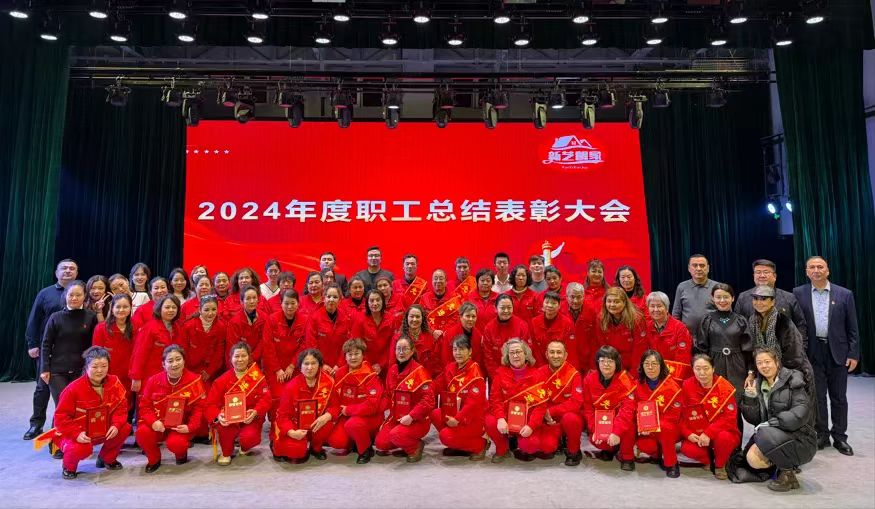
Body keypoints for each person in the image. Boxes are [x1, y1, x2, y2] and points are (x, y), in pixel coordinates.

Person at [793, 255, 859, 456]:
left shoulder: (844, 294)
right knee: (817, 397)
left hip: (838, 353)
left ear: (827, 270)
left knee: (839, 397)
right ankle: (821, 434)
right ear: (806, 272)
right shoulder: (798, 293)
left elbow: (852, 327)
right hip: (812, 353)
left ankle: (840, 437)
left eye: (820, 267)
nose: (816, 270)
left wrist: (853, 353)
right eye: (812, 267)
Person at [741, 347, 817, 492]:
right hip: (772, 435)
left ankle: (787, 472)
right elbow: (754, 419)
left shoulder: (793, 380)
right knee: (752, 459)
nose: (764, 366)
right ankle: (781, 465)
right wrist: (750, 398)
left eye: (767, 361)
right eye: (759, 363)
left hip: (801, 437)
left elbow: (801, 412)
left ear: (777, 362)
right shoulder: (758, 383)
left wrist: (773, 422)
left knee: (763, 433)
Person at [50, 346, 130, 479]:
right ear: (86, 366)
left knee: (124, 428)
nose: (100, 370)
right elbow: (60, 417)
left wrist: (116, 424)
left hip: (103, 428)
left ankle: (107, 458)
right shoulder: (73, 389)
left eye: (104, 366)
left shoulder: (115, 382)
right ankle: (69, 467)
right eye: (95, 366)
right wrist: (76, 433)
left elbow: (121, 408)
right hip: (79, 432)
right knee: (81, 449)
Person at [24, 258, 79, 441]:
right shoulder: (45, 293)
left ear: (77, 273)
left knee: (69, 392)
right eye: (64, 268)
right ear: (56, 272)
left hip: (72, 351)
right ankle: (36, 424)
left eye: (72, 268)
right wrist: (32, 344)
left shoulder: (81, 293)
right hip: (47, 348)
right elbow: (34, 319)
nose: (68, 271)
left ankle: (64, 426)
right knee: (42, 388)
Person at [136, 345, 206, 472]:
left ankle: (181, 453)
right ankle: (154, 458)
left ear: (184, 361)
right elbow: (144, 407)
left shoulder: (194, 380)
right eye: (170, 361)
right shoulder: (153, 381)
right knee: (142, 432)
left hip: (181, 426)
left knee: (177, 444)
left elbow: (199, 409)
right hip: (159, 424)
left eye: (178, 359)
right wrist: (153, 422)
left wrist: (190, 427)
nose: (175, 364)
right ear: (163, 364)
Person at [205, 342, 271, 465]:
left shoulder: (257, 377)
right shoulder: (221, 381)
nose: (240, 359)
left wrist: (256, 411)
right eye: (236, 356)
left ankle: (244, 447)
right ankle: (226, 452)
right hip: (229, 420)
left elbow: (266, 399)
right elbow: (210, 405)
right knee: (224, 427)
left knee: (250, 437)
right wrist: (218, 415)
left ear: (249, 357)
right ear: (230, 358)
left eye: (243, 356)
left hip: (249, 418)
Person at [485, 339, 548, 463]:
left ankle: (517, 442)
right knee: (489, 420)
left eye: (518, 352)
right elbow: (495, 399)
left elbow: (540, 406)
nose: (515, 356)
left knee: (530, 446)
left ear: (526, 354)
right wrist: (500, 418)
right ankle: (502, 449)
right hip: (506, 420)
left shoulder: (537, 375)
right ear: (507, 356)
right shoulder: (499, 374)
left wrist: (531, 426)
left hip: (527, 422)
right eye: (512, 353)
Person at [679, 354, 741, 480]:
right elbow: (682, 414)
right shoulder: (687, 385)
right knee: (687, 449)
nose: (702, 373)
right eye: (697, 369)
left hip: (721, 431)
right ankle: (710, 460)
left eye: (706, 368)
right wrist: (688, 433)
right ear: (693, 369)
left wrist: (708, 433)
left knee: (724, 438)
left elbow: (729, 418)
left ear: (713, 369)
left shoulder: (724, 387)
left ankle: (720, 465)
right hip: (698, 432)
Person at [696, 284, 753, 417]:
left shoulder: (741, 320)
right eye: (718, 297)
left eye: (726, 297)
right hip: (714, 365)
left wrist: (751, 372)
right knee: (715, 403)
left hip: (737, 366)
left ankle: (737, 430)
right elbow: (701, 349)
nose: (722, 300)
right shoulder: (707, 320)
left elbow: (749, 349)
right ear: (713, 298)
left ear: (733, 298)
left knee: (736, 404)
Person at [374, 336, 434, 462]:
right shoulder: (392, 370)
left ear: (412, 351)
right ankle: (404, 440)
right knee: (381, 443)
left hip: (417, 420)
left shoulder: (420, 371)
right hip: (396, 417)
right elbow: (387, 395)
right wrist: (377, 410)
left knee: (396, 435)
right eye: (398, 349)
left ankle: (415, 447)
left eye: (405, 349)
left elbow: (428, 400)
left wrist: (411, 416)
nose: (401, 352)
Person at [40, 280, 100, 407]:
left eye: (78, 295)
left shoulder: (91, 317)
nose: (74, 298)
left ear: (84, 296)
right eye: (71, 295)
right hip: (57, 370)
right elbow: (46, 345)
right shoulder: (55, 317)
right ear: (65, 296)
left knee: (79, 406)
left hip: (82, 369)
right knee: (62, 405)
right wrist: (44, 369)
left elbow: (94, 345)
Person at [273, 348, 338, 463]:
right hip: (295, 425)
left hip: (317, 423)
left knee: (328, 424)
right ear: (300, 366)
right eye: (306, 364)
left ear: (320, 365)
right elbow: (282, 416)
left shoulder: (328, 382)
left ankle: (316, 448)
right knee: (296, 452)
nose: (310, 367)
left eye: (314, 363)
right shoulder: (291, 387)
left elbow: (335, 407)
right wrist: (291, 432)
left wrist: (327, 415)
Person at [430, 335, 489, 460]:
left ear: (470, 351)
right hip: (454, 411)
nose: (458, 353)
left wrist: (457, 419)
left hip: (471, 418)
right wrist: (421, 391)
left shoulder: (475, 373)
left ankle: (479, 445)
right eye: (455, 349)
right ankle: (459, 444)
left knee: (445, 436)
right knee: (435, 414)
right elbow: (437, 385)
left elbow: (473, 404)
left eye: (462, 349)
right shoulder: (450, 367)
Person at [326, 339, 384, 463]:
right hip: (346, 415)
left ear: (363, 355)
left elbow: (372, 405)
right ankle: (356, 439)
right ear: (345, 356)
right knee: (337, 441)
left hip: (368, 416)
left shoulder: (371, 375)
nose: (353, 357)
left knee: (353, 425)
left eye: (357, 353)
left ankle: (366, 450)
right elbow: (335, 398)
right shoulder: (340, 373)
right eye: (350, 354)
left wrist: (349, 410)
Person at [582, 346, 637, 471]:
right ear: (597, 362)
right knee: (596, 440)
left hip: (621, 421)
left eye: (610, 361)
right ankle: (610, 449)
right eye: (602, 360)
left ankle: (627, 456)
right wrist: (594, 429)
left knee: (629, 428)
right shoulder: (589, 379)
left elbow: (627, 411)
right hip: (602, 422)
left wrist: (616, 432)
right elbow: (588, 408)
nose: (606, 364)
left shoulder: (626, 380)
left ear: (617, 362)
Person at [746, 285, 813, 385]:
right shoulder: (752, 321)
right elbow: (752, 350)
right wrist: (751, 373)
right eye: (755, 298)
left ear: (772, 302)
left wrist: (780, 376)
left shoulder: (783, 322)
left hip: (791, 373)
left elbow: (794, 355)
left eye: (763, 299)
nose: (759, 302)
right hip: (765, 372)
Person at [634, 350, 683, 478]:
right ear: (642, 366)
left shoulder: (672, 386)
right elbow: (632, 409)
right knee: (644, 445)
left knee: (666, 429)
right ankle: (658, 454)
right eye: (647, 364)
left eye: (654, 364)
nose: (650, 367)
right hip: (646, 428)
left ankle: (671, 463)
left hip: (669, 428)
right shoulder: (636, 384)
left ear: (661, 365)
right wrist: (641, 426)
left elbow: (674, 416)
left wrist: (652, 426)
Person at [263, 290, 310, 417]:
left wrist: (292, 365)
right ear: (281, 304)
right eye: (286, 303)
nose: (289, 307)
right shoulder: (272, 319)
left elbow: (304, 346)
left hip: (295, 367)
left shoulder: (305, 320)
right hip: (275, 368)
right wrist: (277, 369)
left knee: (295, 396)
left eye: (293, 303)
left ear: (298, 303)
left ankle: (293, 424)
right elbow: (268, 347)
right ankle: (275, 426)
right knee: (277, 398)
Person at [539, 341, 584, 466]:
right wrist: (544, 414)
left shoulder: (574, 374)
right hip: (546, 418)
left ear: (565, 355)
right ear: (546, 354)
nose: (555, 356)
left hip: (565, 416)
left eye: (559, 352)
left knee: (571, 419)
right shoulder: (539, 373)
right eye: (552, 352)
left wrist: (550, 411)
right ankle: (558, 440)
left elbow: (576, 403)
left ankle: (574, 451)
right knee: (547, 448)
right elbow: (535, 399)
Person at [735, 259, 807, 338]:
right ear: (754, 276)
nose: (762, 275)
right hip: (752, 345)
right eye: (758, 272)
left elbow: (800, 325)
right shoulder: (743, 297)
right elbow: (737, 326)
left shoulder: (789, 297)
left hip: (784, 345)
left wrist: (801, 345)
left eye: (766, 272)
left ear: (774, 276)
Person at [130, 295, 186, 393]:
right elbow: (139, 354)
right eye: (167, 307)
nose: (171, 310)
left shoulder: (178, 327)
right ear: (159, 309)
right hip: (150, 376)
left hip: (171, 376)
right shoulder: (149, 328)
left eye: (174, 307)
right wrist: (136, 377)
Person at [91, 294, 135, 413]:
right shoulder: (101, 328)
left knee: (127, 408)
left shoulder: (136, 327)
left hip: (129, 377)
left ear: (130, 308)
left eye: (125, 307)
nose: (121, 310)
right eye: (118, 307)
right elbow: (95, 356)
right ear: (112, 308)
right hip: (107, 377)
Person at [592, 287, 649, 372]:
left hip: (631, 366)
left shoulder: (637, 320)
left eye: (616, 301)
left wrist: (633, 373)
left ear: (624, 302)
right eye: (609, 301)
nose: (612, 305)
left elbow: (639, 351)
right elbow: (602, 348)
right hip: (610, 365)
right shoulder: (601, 319)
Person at [305, 285, 353, 376]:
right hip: (319, 366)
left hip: (339, 367)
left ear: (340, 300)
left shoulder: (346, 318)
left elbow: (347, 345)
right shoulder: (314, 317)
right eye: (328, 296)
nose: (331, 299)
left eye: (335, 297)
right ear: (324, 298)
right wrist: (321, 364)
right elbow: (311, 343)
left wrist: (339, 365)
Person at [645, 291, 693, 381]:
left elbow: (683, 359)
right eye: (652, 306)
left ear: (667, 308)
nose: (655, 309)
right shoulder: (646, 327)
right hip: (653, 374)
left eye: (659, 306)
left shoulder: (680, 328)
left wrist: (670, 380)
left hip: (674, 377)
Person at [481, 295, 533, 377]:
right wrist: (496, 377)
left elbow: (527, 352)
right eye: (502, 308)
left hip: (518, 374)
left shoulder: (522, 325)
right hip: (496, 374)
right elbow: (488, 357)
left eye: (509, 307)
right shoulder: (489, 328)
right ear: (495, 308)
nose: (506, 311)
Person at [182, 295, 226, 388]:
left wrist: (209, 371)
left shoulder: (221, 327)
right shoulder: (188, 326)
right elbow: (183, 351)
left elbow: (219, 353)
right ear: (200, 310)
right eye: (206, 310)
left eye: (214, 309)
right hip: (189, 370)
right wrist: (187, 372)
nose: (210, 313)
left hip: (209, 372)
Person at [673, 254, 719, 338]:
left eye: (702, 265)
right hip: (687, 337)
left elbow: (726, 313)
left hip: (712, 337)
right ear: (689, 268)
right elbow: (676, 314)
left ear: (708, 268)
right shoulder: (682, 287)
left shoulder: (717, 287)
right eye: (695, 265)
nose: (698, 268)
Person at [389, 305, 441, 378]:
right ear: (407, 318)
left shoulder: (430, 336)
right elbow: (392, 363)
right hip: (405, 379)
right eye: (411, 316)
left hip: (426, 379)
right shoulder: (397, 338)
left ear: (422, 318)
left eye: (417, 317)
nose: (414, 319)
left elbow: (435, 362)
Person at [351, 290, 394, 376]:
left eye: (378, 300)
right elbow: (356, 344)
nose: (375, 303)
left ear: (383, 301)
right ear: (367, 303)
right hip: (365, 364)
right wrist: (368, 364)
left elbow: (392, 344)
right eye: (371, 300)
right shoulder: (360, 319)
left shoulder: (391, 318)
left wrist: (381, 364)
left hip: (386, 363)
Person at [530, 292, 576, 368]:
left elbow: (570, 349)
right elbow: (534, 348)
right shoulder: (534, 322)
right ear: (543, 304)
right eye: (547, 302)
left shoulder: (567, 323)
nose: (550, 305)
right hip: (540, 364)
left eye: (554, 303)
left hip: (561, 363)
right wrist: (542, 367)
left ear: (559, 306)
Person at [225, 285, 267, 366]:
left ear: (258, 300)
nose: (252, 301)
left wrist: (251, 359)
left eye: (254, 298)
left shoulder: (264, 318)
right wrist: (244, 360)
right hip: (240, 361)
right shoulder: (234, 322)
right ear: (241, 301)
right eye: (248, 298)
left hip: (259, 361)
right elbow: (232, 346)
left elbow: (264, 342)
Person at [437, 302, 483, 368]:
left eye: (473, 316)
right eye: (467, 316)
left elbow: (478, 359)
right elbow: (446, 359)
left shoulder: (478, 335)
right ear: (461, 317)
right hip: (453, 371)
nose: (471, 319)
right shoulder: (450, 334)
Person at [564, 282, 595, 370]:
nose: (575, 301)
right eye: (572, 297)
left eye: (579, 297)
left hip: (586, 359)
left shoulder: (592, 311)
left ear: (584, 296)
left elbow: (595, 340)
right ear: (566, 297)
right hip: (565, 359)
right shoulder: (559, 310)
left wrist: (593, 364)